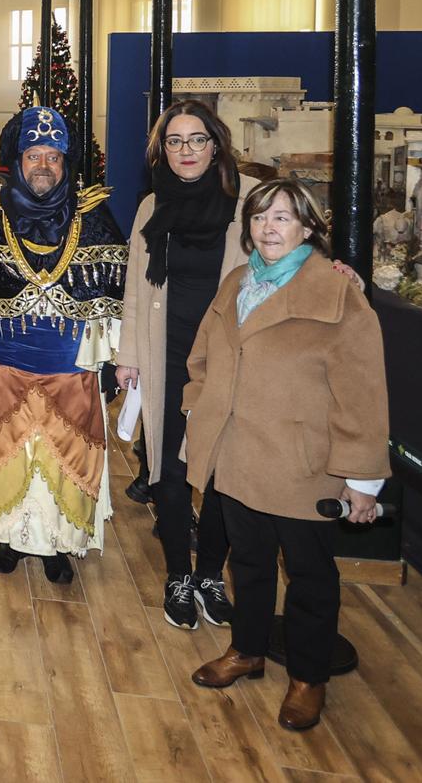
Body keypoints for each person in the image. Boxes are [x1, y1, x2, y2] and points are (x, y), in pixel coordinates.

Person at [184, 178, 389, 733]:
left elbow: (363, 394)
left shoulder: (338, 294)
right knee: (246, 565)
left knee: (309, 577)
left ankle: (307, 677)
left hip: (303, 466)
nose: (268, 228)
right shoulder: (236, 283)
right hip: (236, 456)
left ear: (306, 227)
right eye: (259, 217)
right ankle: (247, 650)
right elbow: (202, 356)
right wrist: (195, 408)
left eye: (281, 218)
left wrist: (363, 480)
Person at [0, 106, 126, 583]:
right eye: (34, 155)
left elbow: (115, 299)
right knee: (10, 461)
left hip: (71, 371)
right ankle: (9, 538)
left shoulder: (96, 219)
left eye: (54, 157)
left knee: (58, 464)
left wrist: (112, 360)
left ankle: (57, 546)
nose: (44, 165)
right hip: (4, 368)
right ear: (17, 161)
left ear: (65, 164)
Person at [117, 100, 253, 631]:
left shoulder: (244, 207)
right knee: (168, 471)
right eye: (175, 141)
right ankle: (177, 574)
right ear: (162, 150)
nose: (186, 151)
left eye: (197, 139)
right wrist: (128, 356)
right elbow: (134, 285)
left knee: (219, 471)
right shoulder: (152, 207)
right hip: (166, 352)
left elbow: (288, 258)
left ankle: (211, 575)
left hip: (226, 360)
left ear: (215, 145)